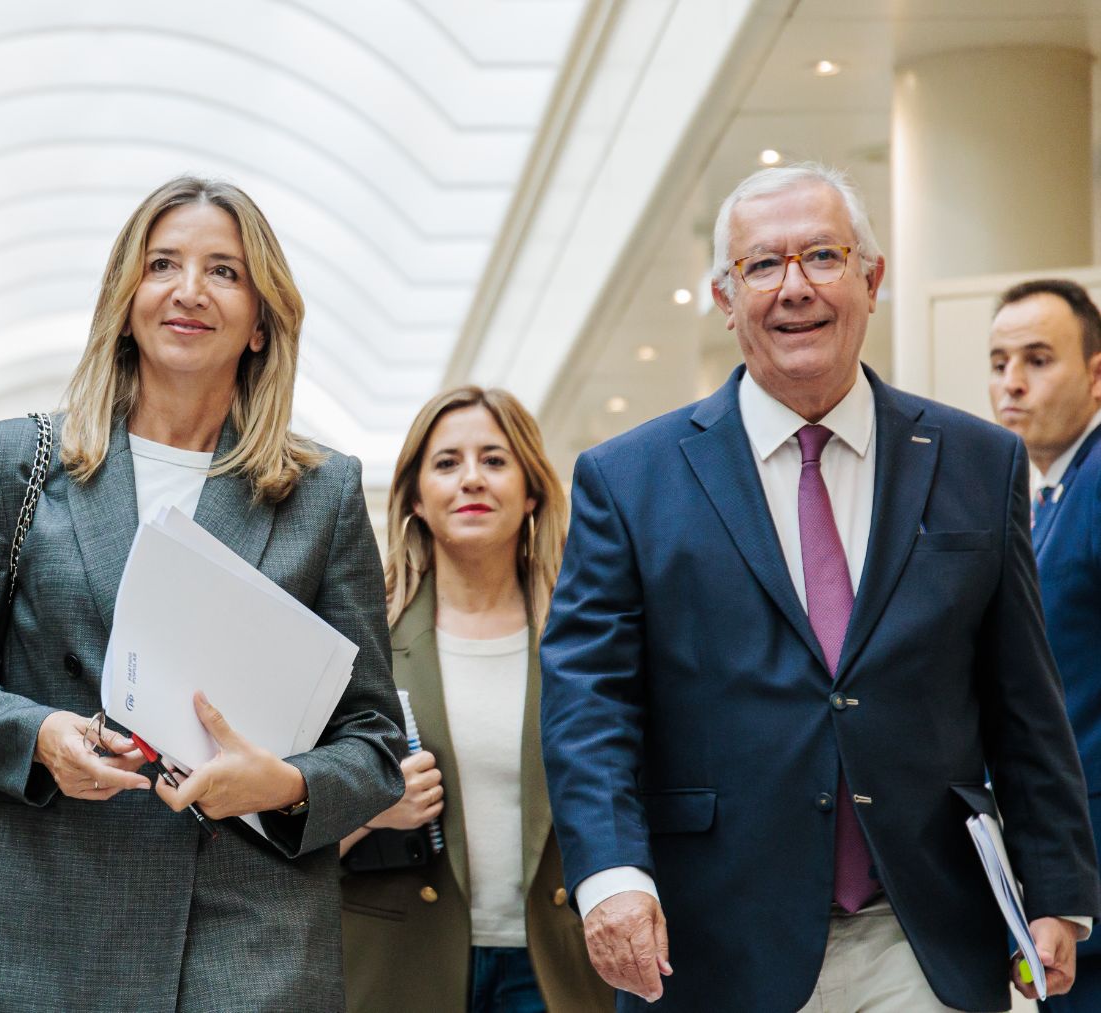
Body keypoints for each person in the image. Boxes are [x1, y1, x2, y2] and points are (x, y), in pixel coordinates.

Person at [540, 162, 1101, 1013]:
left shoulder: (978, 463)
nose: (793, 288)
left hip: (921, 933)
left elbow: (1023, 693)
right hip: (714, 938)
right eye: (762, 265)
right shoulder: (628, 479)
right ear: (726, 299)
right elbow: (591, 701)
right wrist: (612, 874)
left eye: (823, 257)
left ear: (872, 279)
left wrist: (1057, 886)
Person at [0, 175, 407, 1012]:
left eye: (224, 271)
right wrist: (41, 734)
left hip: (248, 949)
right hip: (48, 936)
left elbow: (375, 740)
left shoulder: (323, 491)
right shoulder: (17, 461)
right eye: (163, 262)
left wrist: (282, 783)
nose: (189, 290)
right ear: (126, 298)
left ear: (260, 323)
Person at [339, 387, 612, 1013]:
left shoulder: (587, 636)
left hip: (560, 969)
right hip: (399, 966)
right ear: (415, 496)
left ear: (531, 489)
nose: (471, 480)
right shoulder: (361, 639)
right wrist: (369, 805)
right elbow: (286, 814)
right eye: (446, 463)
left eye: (494, 460)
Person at [988, 278, 1101, 1013]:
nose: (1012, 383)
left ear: (1096, 373)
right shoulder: (1052, 495)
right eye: (998, 362)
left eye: (1038, 358)